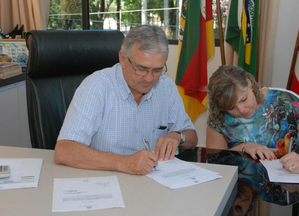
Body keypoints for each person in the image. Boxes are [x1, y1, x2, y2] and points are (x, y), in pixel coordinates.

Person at [54, 25, 198, 175]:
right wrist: (123, 162)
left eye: (157, 70)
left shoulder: (166, 86)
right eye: (141, 69)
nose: (149, 78)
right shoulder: (96, 87)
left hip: (153, 183)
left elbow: (192, 138)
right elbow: (64, 151)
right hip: (105, 182)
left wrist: (177, 136)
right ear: (123, 59)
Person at [206, 65, 299, 174]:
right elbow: (217, 164)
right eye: (232, 108)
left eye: (244, 99)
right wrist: (245, 147)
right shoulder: (219, 113)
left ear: (249, 83)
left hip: (287, 183)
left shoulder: (284, 102)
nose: (241, 110)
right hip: (241, 187)